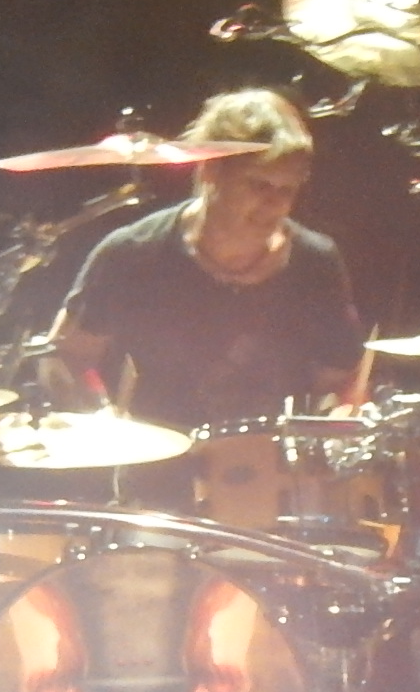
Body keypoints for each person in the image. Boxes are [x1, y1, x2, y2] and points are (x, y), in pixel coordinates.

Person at [40, 88, 365, 433]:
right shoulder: (133, 253)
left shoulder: (315, 263)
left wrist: (339, 417)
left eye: (287, 189)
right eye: (259, 185)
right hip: (152, 457)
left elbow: (340, 380)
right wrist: (99, 416)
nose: (275, 204)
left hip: (271, 461)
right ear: (211, 170)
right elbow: (67, 358)